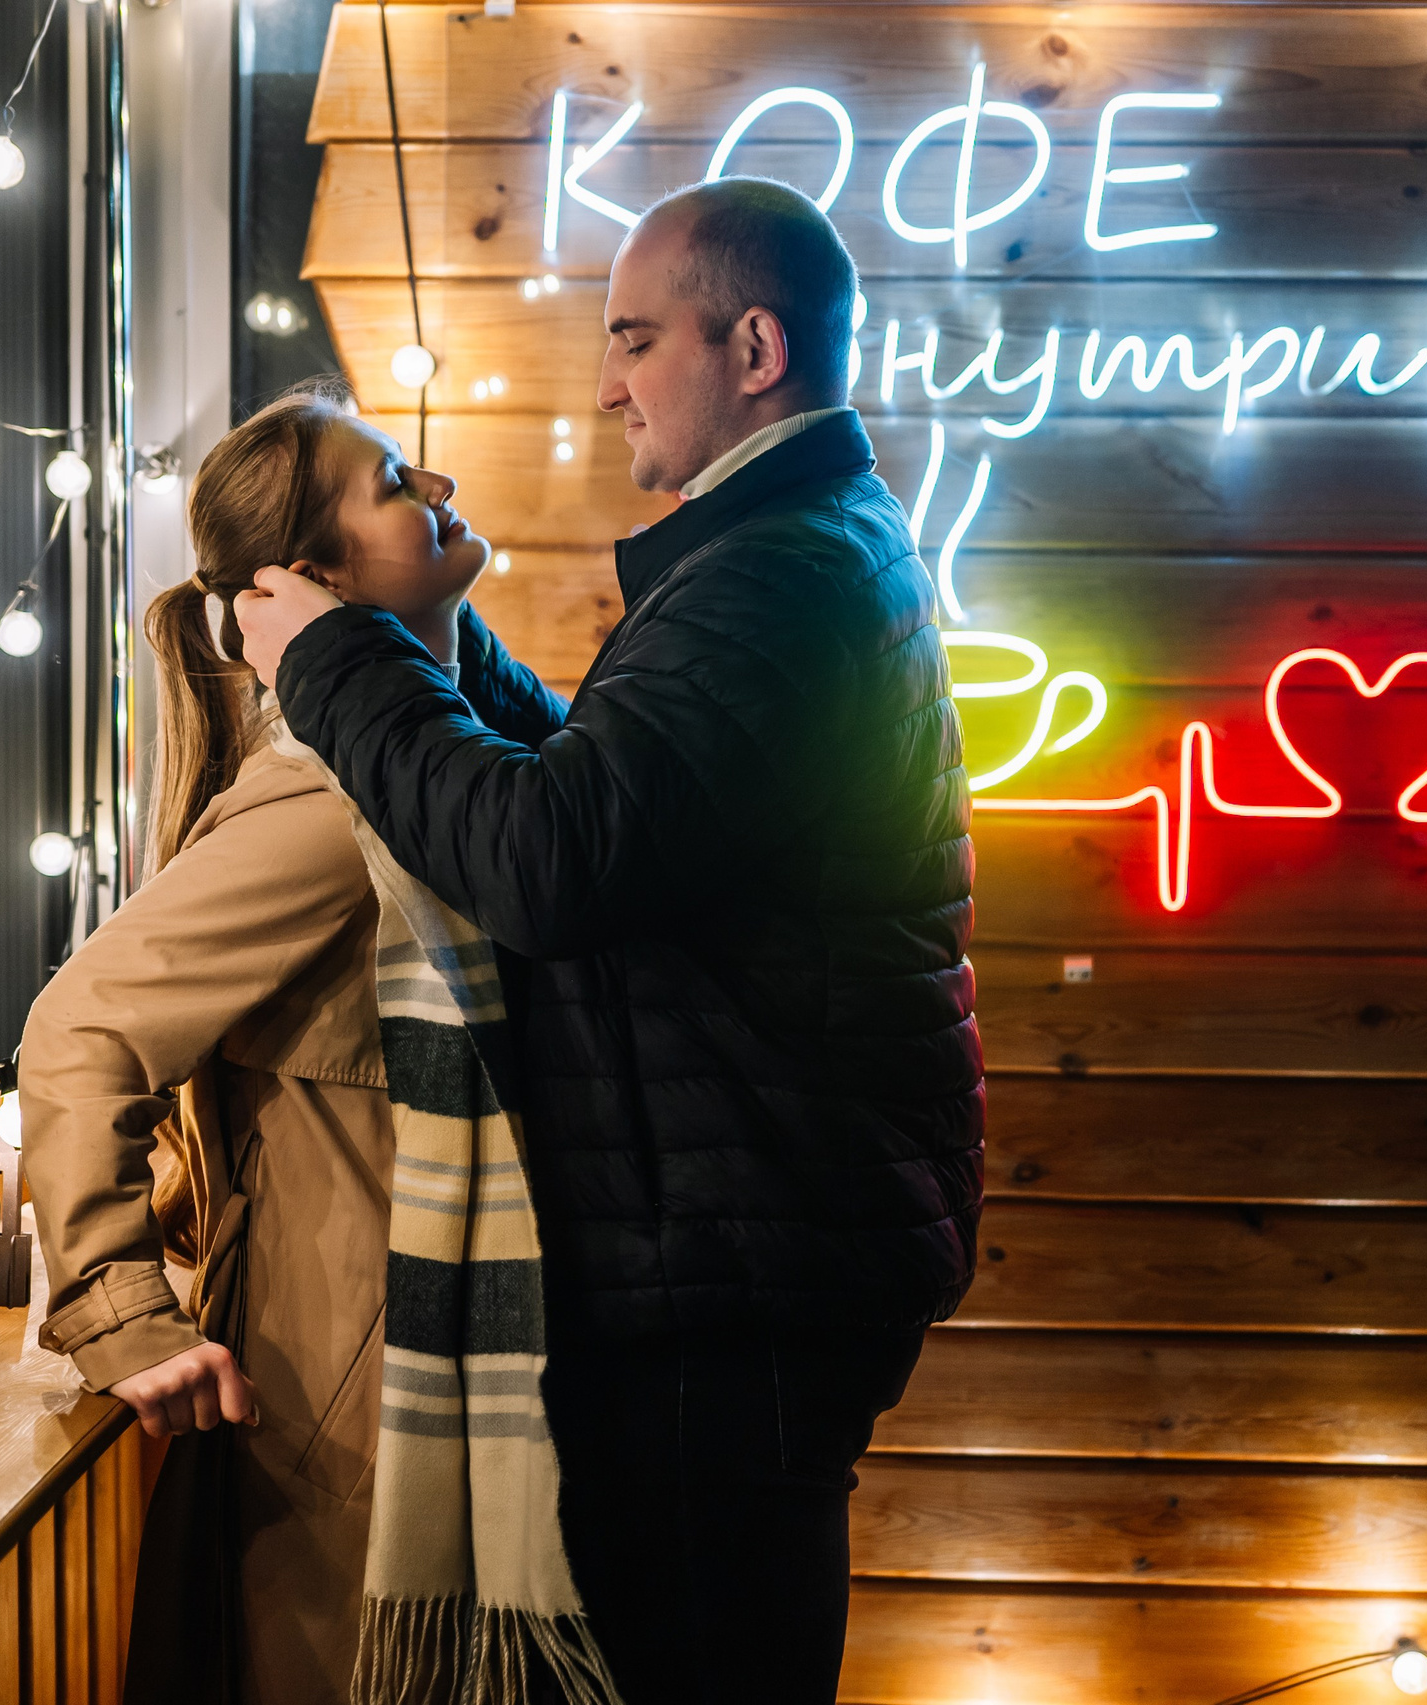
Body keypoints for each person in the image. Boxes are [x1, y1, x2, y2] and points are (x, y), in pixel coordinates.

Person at [233, 177, 984, 1703]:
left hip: (742, 1270)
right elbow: (617, 790)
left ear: (754, 345)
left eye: (638, 337)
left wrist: (333, 660)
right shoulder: (788, 548)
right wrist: (426, 648)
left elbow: (554, 859)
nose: (608, 379)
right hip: (754, 1242)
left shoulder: (779, 576)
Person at [19, 379, 495, 1705]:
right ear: (314, 575)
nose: (440, 490)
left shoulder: (426, 760)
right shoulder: (333, 795)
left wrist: (438, 629)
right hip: (352, 1401)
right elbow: (78, 1026)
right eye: (397, 482)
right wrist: (120, 1308)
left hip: (427, 1377)